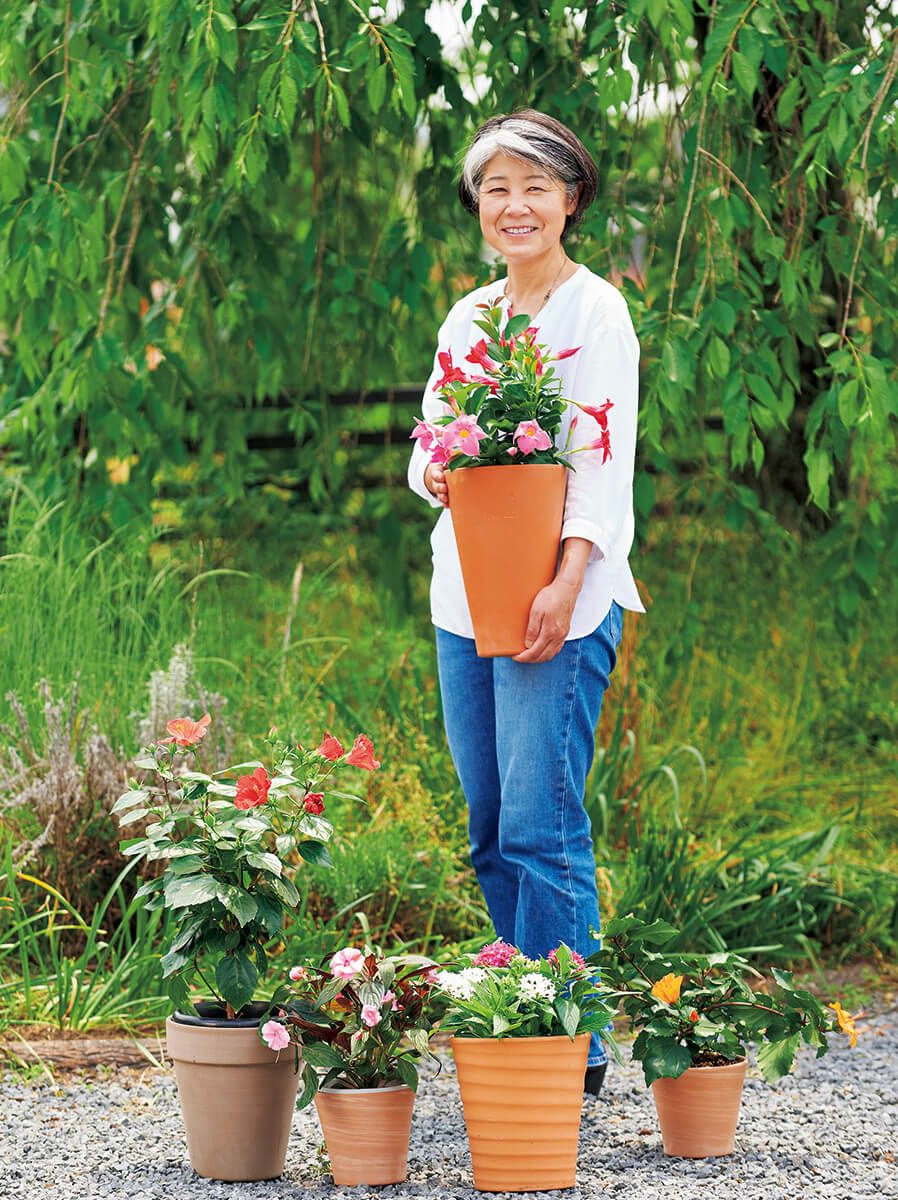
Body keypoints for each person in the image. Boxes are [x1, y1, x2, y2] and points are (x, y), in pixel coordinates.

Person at [407, 109, 645, 1096]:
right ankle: (522, 1021)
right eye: (497, 188)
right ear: (477, 206)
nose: (516, 205)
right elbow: (433, 434)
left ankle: (567, 1048)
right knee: (488, 821)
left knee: (541, 824)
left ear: (571, 200)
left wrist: (562, 577)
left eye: (536, 187)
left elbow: (600, 457)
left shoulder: (594, 314)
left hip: (563, 601)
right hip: (465, 599)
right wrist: (430, 470)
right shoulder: (469, 317)